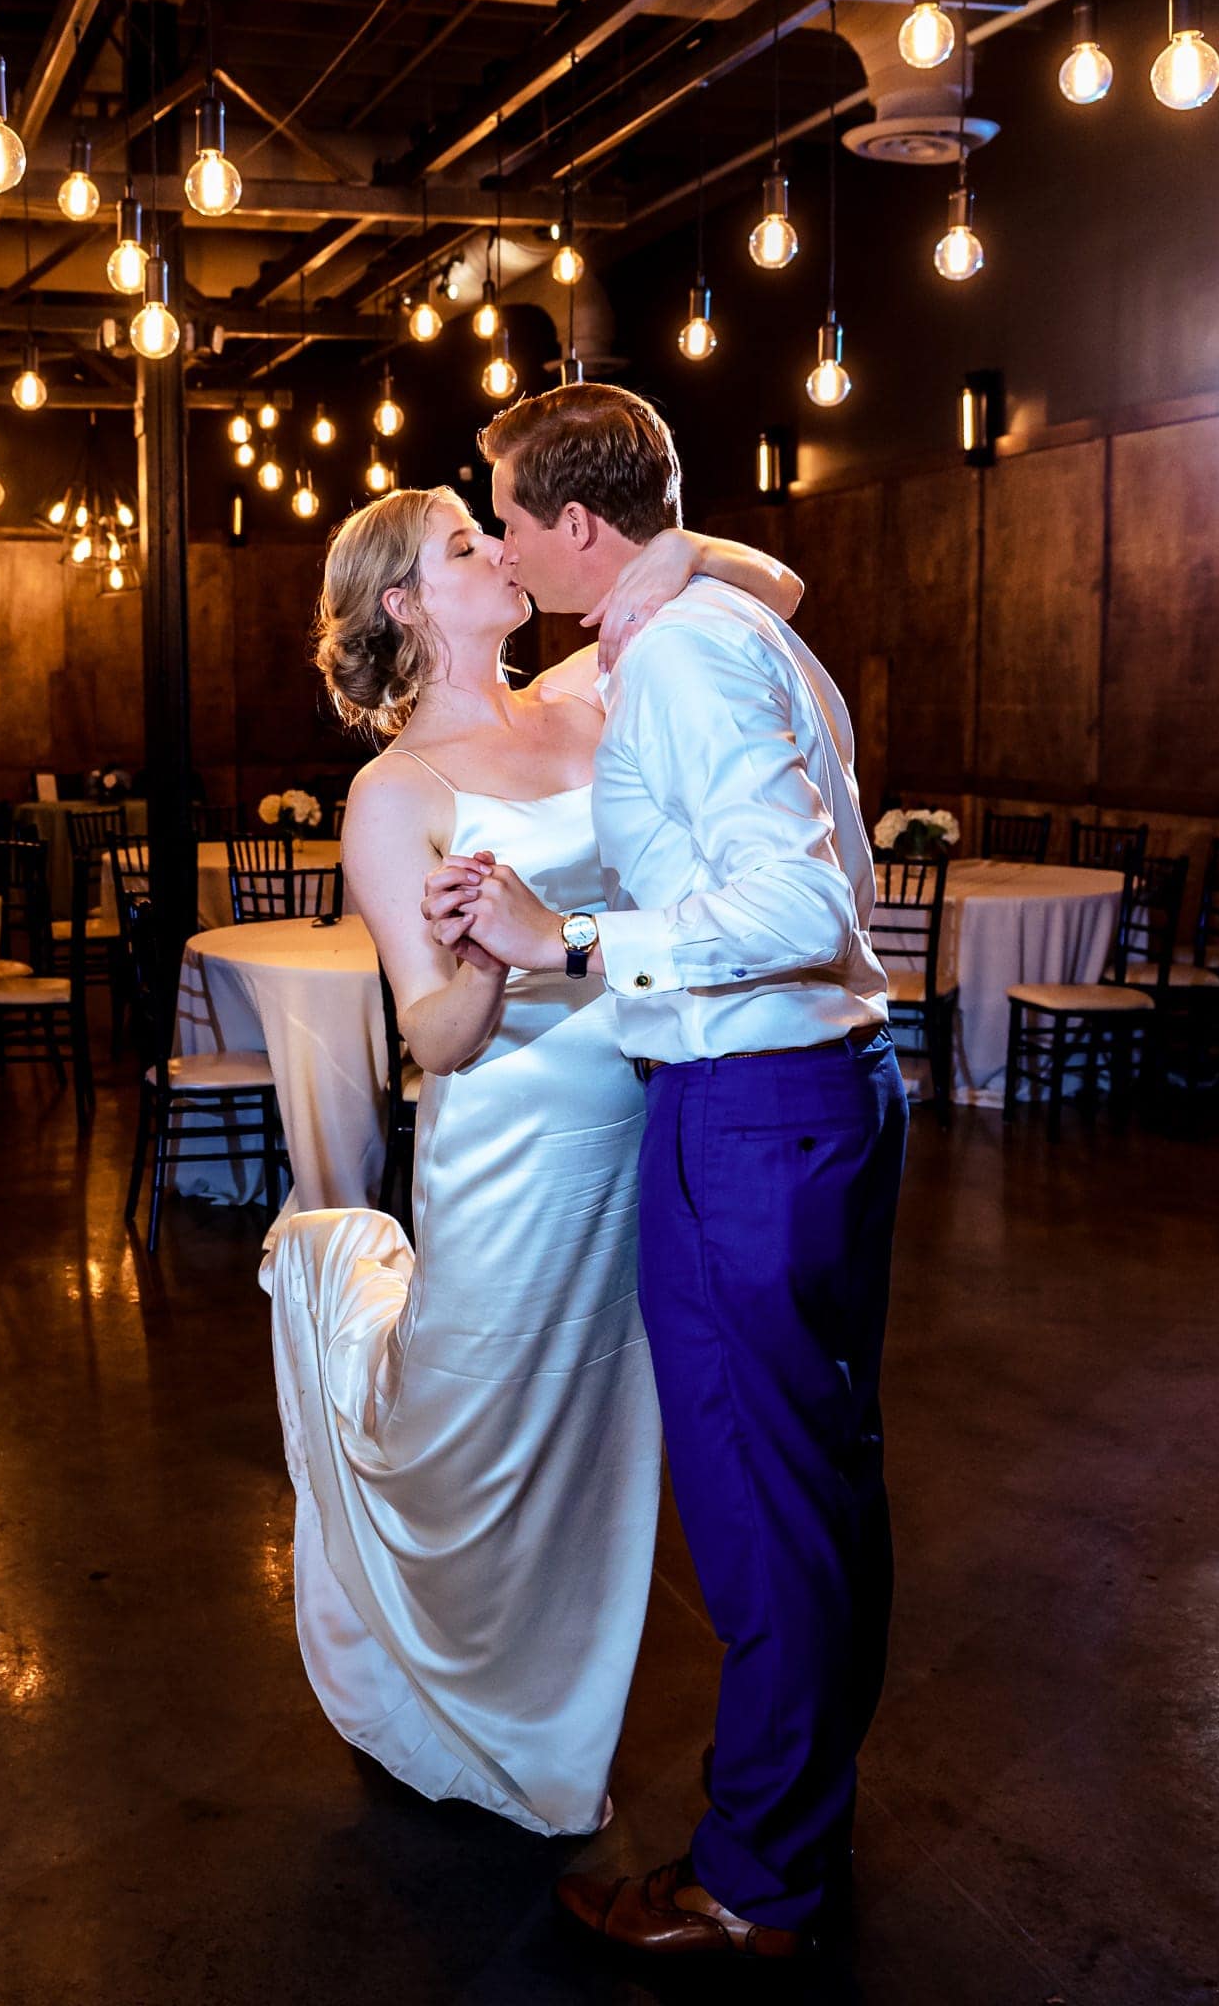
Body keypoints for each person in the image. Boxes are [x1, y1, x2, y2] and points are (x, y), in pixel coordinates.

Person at [426, 383, 908, 1961]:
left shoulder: (689, 650)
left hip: (752, 1115)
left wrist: (559, 935)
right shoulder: (707, 616)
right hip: (814, 1098)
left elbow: (788, 913)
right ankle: (797, 1839)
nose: (498, 541)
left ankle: (754, 1885)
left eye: (505, 515)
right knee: (814, 1489)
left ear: (573, 527)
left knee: (762, 1510)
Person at [261, 481, 806, 1836]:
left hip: (644, 1111)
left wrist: (654, 546)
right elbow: (432, 1037)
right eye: (465, 545)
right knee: (481, 1438)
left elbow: (771, 591)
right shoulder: (395, 794)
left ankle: (553, 1712)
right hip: (507, 1142)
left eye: (493, 529)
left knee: (600, 1436)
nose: (501, 552)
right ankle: (448, 1684)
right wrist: (489, 959)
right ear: (405, 603)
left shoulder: (584, 688)